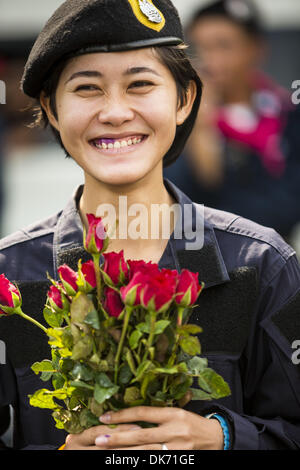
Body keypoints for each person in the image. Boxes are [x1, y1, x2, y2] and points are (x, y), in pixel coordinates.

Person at [0, 0, 300, 451]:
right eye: (87, 88)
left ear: (184, 100)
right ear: (52, 108)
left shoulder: (261, 265)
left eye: (140, 84)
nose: (116, 112)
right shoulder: (11, 275)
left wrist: (221, 437)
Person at [164, 0, 300, 240]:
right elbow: (174, 206)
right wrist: (199, 133)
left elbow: (285, 211)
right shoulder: (178, 119)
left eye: (224, 46)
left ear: (256, 49)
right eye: (198, 48)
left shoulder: (287, 116)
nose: (209, 60)